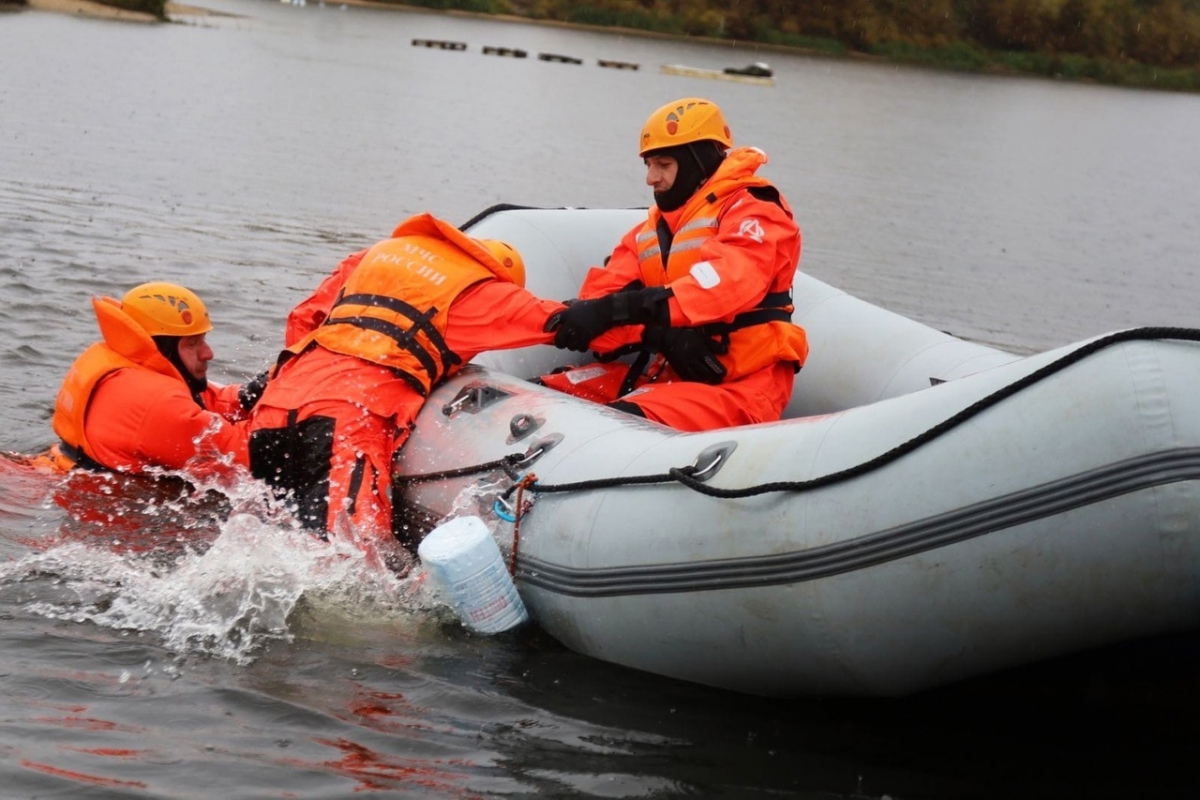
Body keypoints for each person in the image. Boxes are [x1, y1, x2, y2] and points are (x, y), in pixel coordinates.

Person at [248, 212, 565, 553]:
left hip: (275, 406)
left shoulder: (373, 259)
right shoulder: (480, 293)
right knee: (351, 554)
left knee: (267, 533)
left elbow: (302, 319)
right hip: (346, 418)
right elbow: (570, 324)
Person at [539, 97, 810, 432]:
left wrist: (620, 310)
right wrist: (659, 334)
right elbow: (597, 304)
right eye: (648, 165)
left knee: (616, 425)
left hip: (741, 390)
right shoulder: (649, 233)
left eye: (663, 164)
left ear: (698, 161)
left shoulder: (756, 211)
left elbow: (723, 286)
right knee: (544, 393)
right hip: (666, 379)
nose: (650, 178)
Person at [49, 282, 260, 478]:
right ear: (162, 348)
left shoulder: (125, 366)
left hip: (53, 470)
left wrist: (251, 394)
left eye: (203, 339)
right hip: (89, 495)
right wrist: (279, 402)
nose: (208, 353)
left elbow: (204, 402)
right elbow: (252, 454)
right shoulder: (157, 404)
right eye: (192, 343)